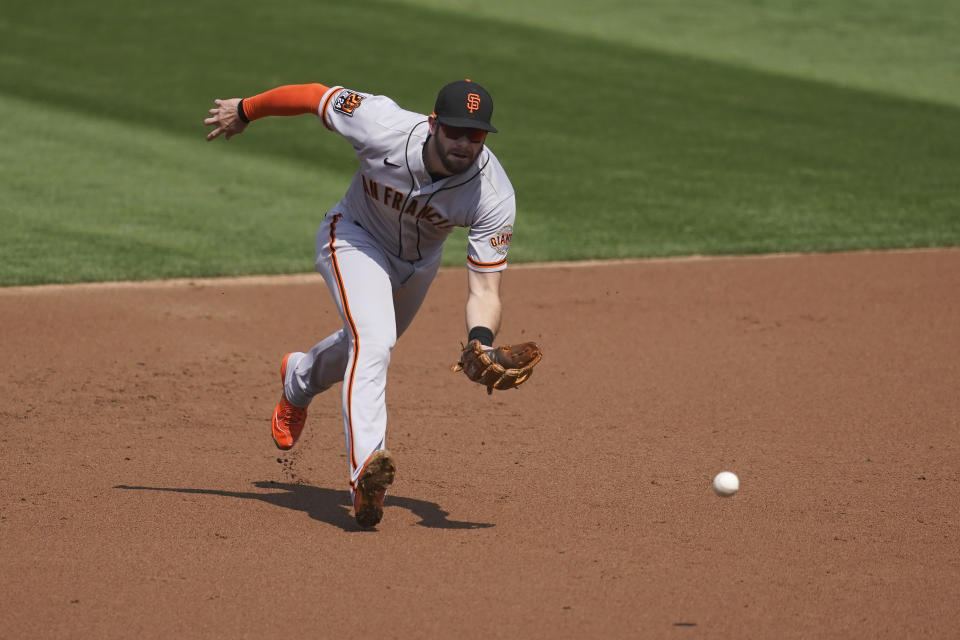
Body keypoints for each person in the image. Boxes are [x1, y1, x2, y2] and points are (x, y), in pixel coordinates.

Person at [204, 79, 517, 528]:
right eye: (455, 130)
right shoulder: (380, 124)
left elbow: (485, 290)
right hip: (352, 237)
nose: (465, 143)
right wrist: (246, 109)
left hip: (418, 266)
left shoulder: (493, 193)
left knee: (363, 343)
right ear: (433, 125)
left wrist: (480, 340)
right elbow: (314, 95)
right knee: (374, 340)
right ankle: (366, 474)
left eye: (476, 134)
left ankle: (298, 378)